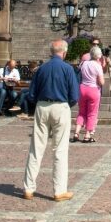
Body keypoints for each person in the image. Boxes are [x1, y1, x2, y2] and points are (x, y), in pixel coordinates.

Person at [21, 38, 79, 202]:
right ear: (64, 52)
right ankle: (59, 191)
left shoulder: (41, 69)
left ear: (50, 52)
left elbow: (31, 94)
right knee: (60, 150)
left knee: (36, 148)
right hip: (61, 107)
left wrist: (39, 103)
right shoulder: (68, 69)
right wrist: (67, 104)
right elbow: (74, 95)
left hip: (42, 106)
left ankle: (28, 188)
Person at [73, 46, 104, 142]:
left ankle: (76, 133)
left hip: (82, 88)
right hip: (93, 89)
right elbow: (101, 82)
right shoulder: (98, 65)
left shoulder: (84, 63)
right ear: (99, 56)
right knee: (92, 114)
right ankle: (87, 135)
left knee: (81, 112)